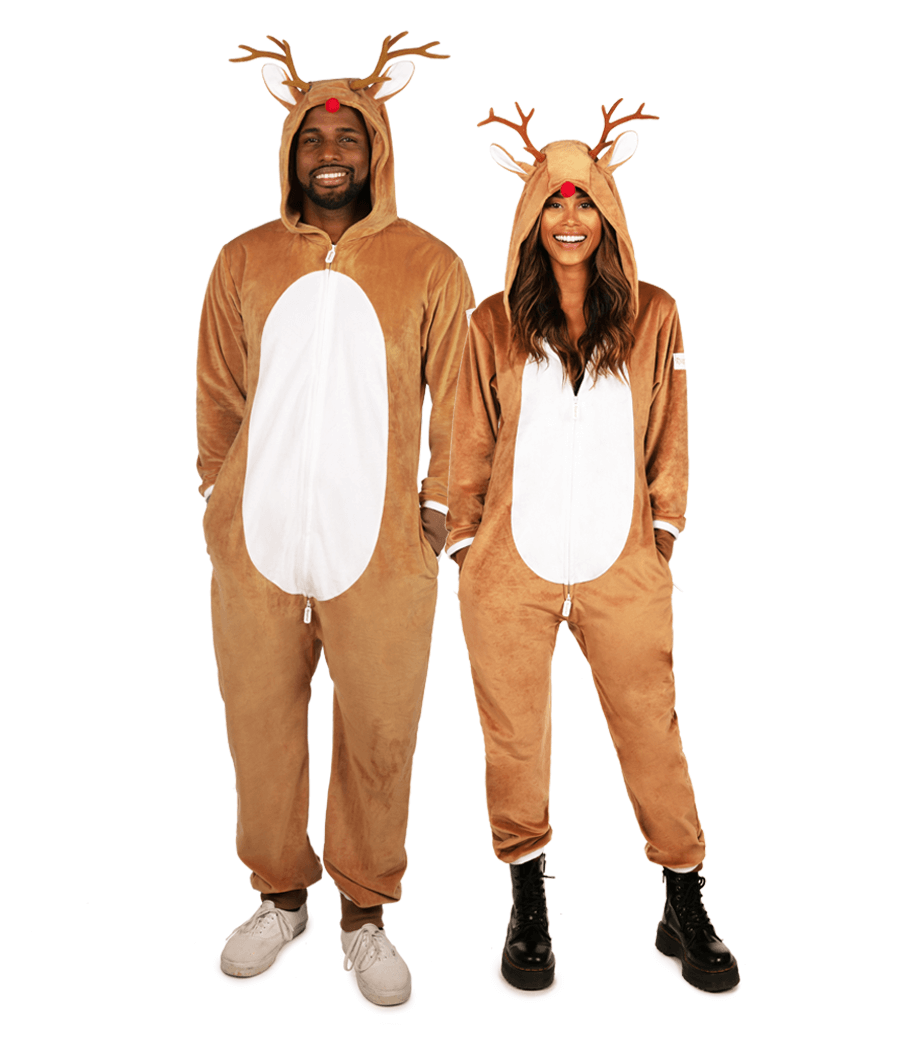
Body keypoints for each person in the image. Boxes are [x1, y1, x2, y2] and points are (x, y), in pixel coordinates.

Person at [196, 33, 473, 1005]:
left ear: (375, 149)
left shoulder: (430, 265)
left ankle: (365, 913)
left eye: (348, 137)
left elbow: (464, 402)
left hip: (385, 549)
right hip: (257, 547)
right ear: (291, 151)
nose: (330, 154)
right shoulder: (244, 260)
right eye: (313, 138)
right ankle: (279, 895)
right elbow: (218, 393)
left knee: (381, 731)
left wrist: (437, 513)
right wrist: (219, 497)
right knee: (259, 727)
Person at [446, 101, 739, 993]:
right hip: (509, 571)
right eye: (553, 200)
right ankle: (527, 901)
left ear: (607, 212)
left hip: (623, 565)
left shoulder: (655, 316)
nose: (569, 217)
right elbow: (465, 439)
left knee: (652, 729)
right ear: (531, 214)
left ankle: (683, 898)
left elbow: (672, 428)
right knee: (514, 738)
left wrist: (662, 530)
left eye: (585, 200)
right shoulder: (492, 322)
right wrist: (466, 542)